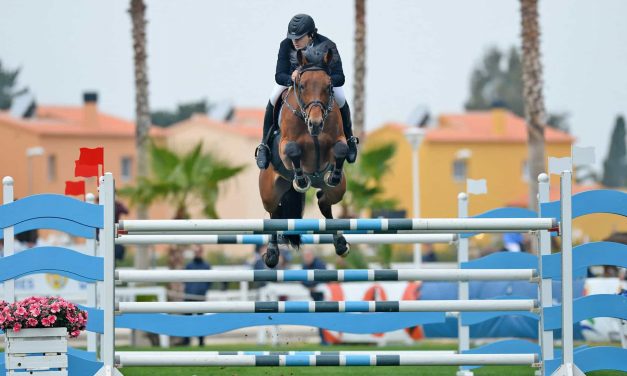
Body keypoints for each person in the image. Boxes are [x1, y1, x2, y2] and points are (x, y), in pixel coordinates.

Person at [255, 13, 358, 170]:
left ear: (311, 35)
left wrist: (326, 80)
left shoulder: (328, 45)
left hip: (322, 86)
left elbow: (340, 77)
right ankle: (264, 145)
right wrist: (291, 77)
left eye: (299, 37)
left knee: (341, 98)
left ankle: (349, 139)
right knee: (273, 97)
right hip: (295, 84)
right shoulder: (285, 45)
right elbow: (279, 75)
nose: (294, 41)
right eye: (292, 37)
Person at [181, 246, 212, 346]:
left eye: (199, 252)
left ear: (201, 252)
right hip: (189, 295)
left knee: (201, 320)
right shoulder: (189, 265)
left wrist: (203, 290)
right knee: (187, 319)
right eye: (196, 252)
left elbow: (209, 281)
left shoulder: (206, 266)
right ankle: (186, 340)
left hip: (200, 296)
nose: (197, 253)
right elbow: (184, 280)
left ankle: (201, 341)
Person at [300, 248, 328, 344]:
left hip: (324, 294)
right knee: (319, 317)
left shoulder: (319, 264)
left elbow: (324, 278)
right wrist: (311, 286)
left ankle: (325, 339)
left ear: (312, 256)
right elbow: (302, 281)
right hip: (313, 295)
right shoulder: (304, 265)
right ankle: (323, 340)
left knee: (323, 317)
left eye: (308, 256)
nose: (306, 258)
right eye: (305, 257)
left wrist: (311, 285)